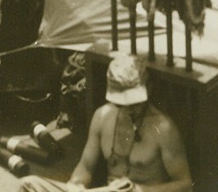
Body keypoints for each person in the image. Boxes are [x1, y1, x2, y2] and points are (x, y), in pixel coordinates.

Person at [18, 54, 192, 192]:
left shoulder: (163, 128)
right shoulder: (103, 116)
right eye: (123, 104)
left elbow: (185, 185)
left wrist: (141, 190)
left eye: (135, 103)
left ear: (149, 88)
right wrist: (76, 185)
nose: (130, 109)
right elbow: (86, 166)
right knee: (29, 185)